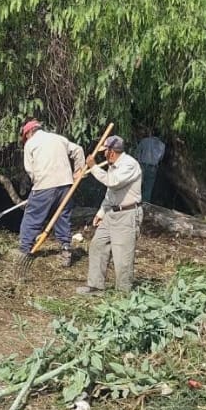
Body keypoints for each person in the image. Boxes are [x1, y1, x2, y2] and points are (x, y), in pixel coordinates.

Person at [77, 135, 143, 295]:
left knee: (122, 256)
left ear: (111, 152)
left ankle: (123, 293)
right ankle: (95, 286)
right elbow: (111, 193)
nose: (103, 155)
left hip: (127, 215)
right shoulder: (113, 165)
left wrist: (93, 167)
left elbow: (112, 182)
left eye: (105, 151)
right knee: (97, 245)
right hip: (111, 214)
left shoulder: (129, 165)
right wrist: (101, 212)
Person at [18, 119, 85, 267]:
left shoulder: (30, 144)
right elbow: (78, 150)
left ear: (29, 133)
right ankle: (66, 250)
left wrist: (37, 185)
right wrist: (78, 171)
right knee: (62, 217)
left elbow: (30, 169)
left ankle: (24, 251)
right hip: (65, 184)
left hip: (44, 185)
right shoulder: (59, 139)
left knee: (33, 217)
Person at [133, 135, 166, 205]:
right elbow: (160, 158)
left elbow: (137, 152)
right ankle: (145, 205)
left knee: (137, 184)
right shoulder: (162, 145)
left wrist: (138, 161)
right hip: (153, 168)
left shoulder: (145, 140)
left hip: (142, 166)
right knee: (148, 188)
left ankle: (134, 203)